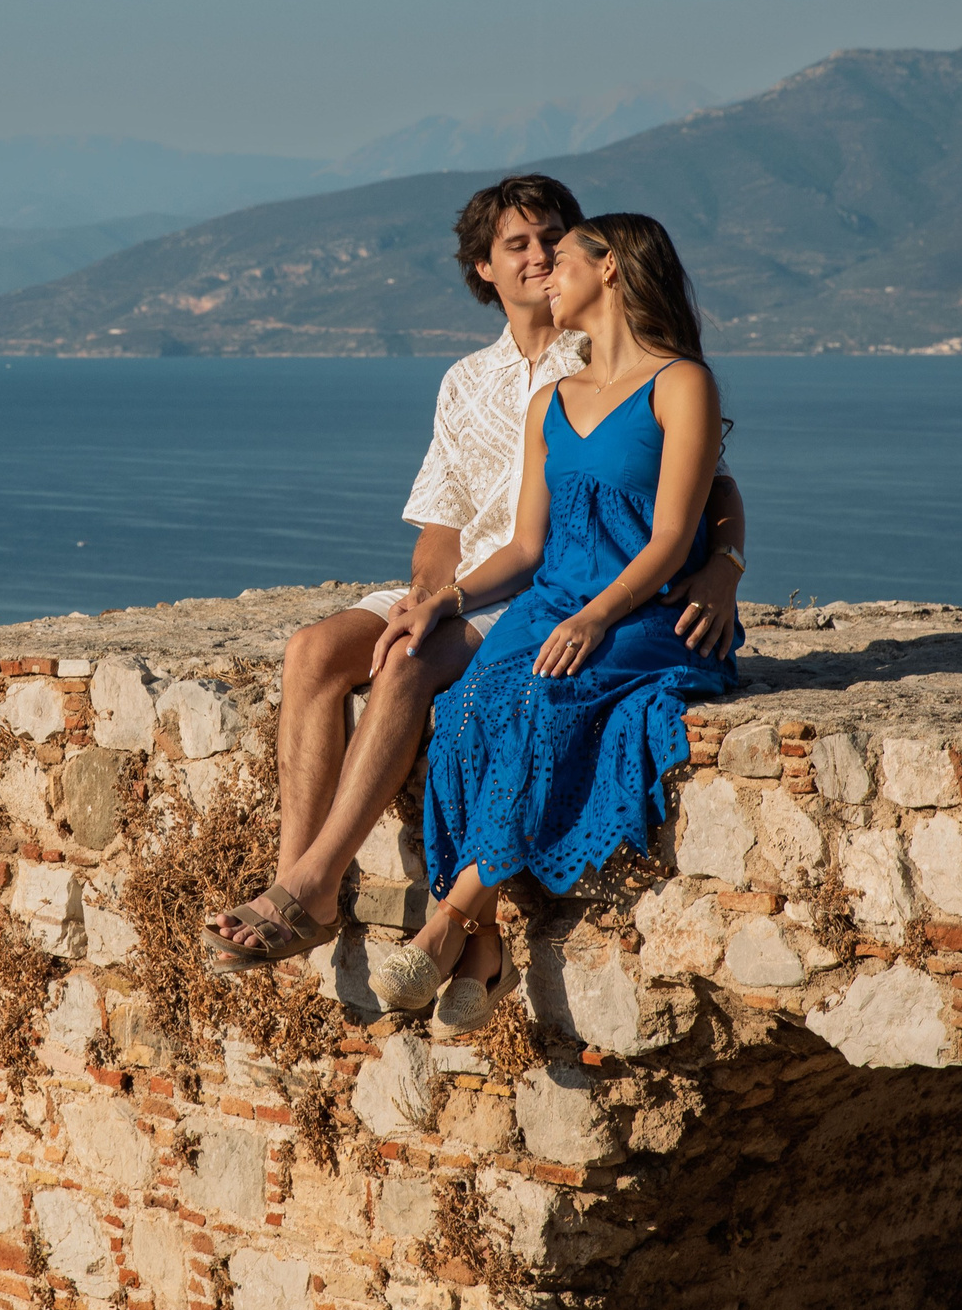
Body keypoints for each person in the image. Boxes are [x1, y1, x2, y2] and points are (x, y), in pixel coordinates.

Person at [199, 178, 748, 972]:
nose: (541, 259)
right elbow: (440, 525)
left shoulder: (608, 354)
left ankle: (316, 892)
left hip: (547, 590)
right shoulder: (466, 382)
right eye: (519, 246)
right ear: (483, 269)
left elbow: (713, 490)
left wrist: (725, 566)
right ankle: (297, 877)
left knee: (408, 669)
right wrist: (428, 599)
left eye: (554, 243)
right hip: (477, 583)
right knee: (314, 653)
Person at [367, 212, 740, 1037]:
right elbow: (527, 547)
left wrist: (599, 617)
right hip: (549, 604)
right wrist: (450, 598)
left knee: (544, 706)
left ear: (609, 269)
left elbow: (677, 535)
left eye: (562, 258)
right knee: (466, 711)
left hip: (642, 611)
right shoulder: (551, 400)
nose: (547, 275)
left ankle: (450, 923)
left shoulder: (681, 384)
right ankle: (485, 948)